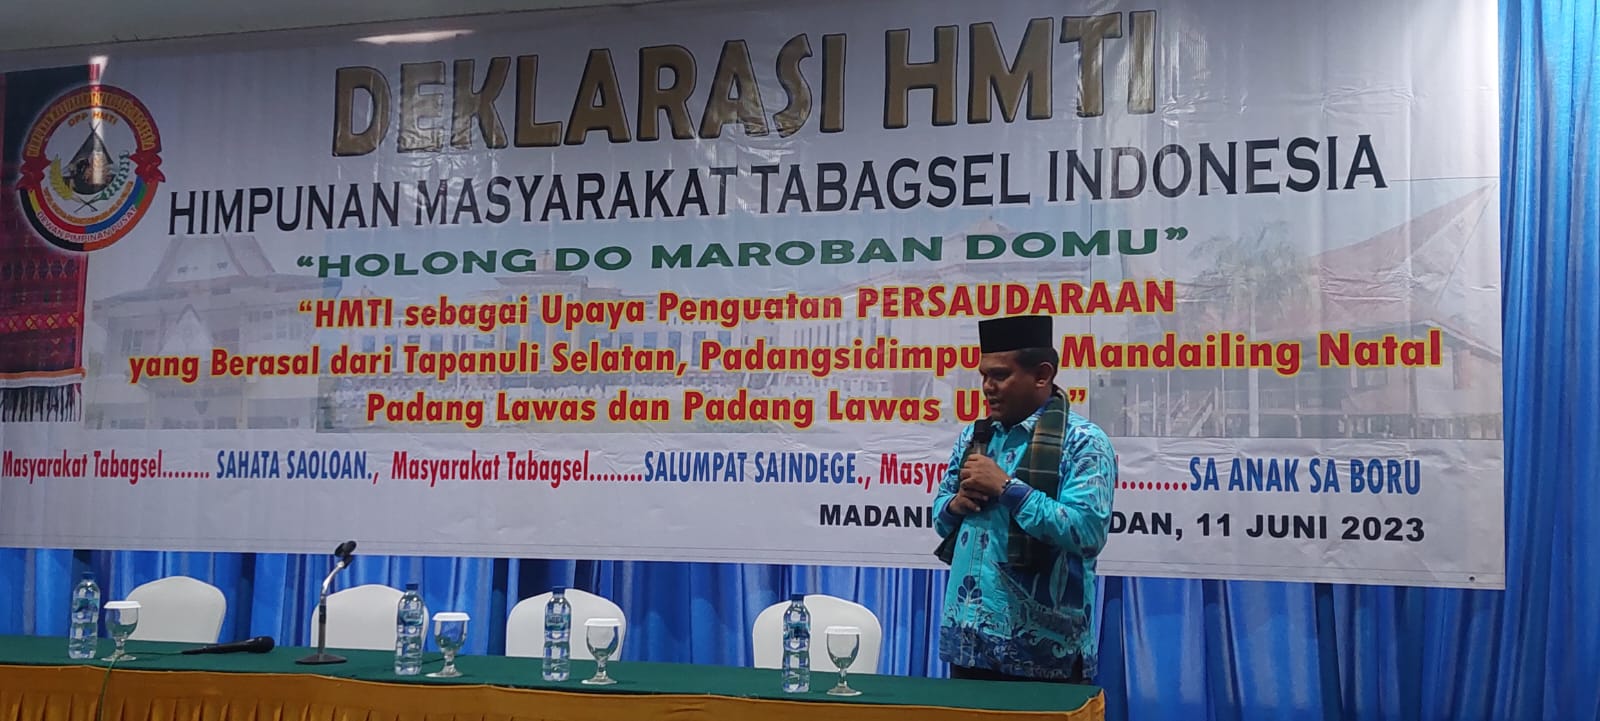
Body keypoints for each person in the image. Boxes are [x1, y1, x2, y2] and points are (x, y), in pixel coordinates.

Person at [933, 314, 1117, 684]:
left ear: (1042, 375)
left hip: (1043, 652)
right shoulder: (977, 436)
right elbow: (940, 516)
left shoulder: (1083, 442)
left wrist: (1007, 489)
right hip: (968, 645)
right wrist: (956, 505)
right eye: (984, 376)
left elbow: (1086, 532)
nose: (987, 387)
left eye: (1000, 375)